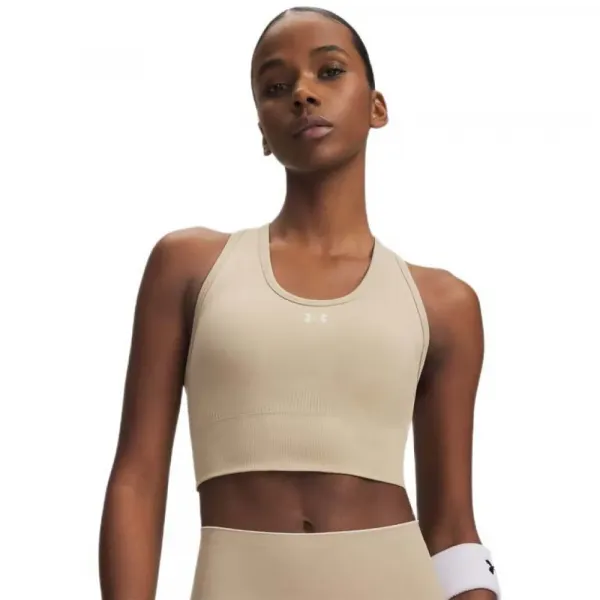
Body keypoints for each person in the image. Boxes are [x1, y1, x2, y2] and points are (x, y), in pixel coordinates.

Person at [99, 6, 501, 600]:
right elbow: (136, 478)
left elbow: (451, 527)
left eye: (329, 72)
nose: (303, 94)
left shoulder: (443, 304)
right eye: (275, 86)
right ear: (263, 131)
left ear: (377, 107)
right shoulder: (188, 267)